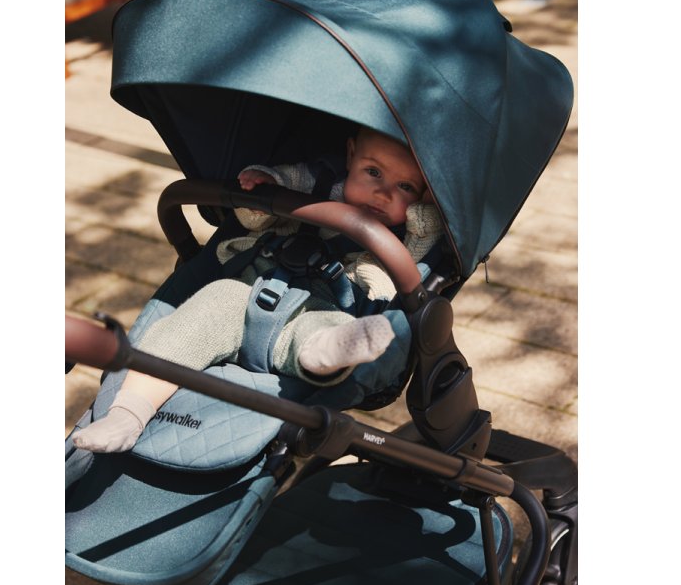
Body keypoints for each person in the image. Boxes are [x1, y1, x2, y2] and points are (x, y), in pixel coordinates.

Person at [73, 127, 442, 453]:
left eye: (405, 187)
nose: (382, 193)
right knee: (195, 318)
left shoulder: (403, 232)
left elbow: (418, 252)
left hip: (323, 310)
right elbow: (261, 202)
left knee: (325, 334)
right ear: (350, 155)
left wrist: (426, 214)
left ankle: (331, 352)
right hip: (247, 292)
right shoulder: (317, 180)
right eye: (373, 172)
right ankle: (127, 413)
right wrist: (263, 185)